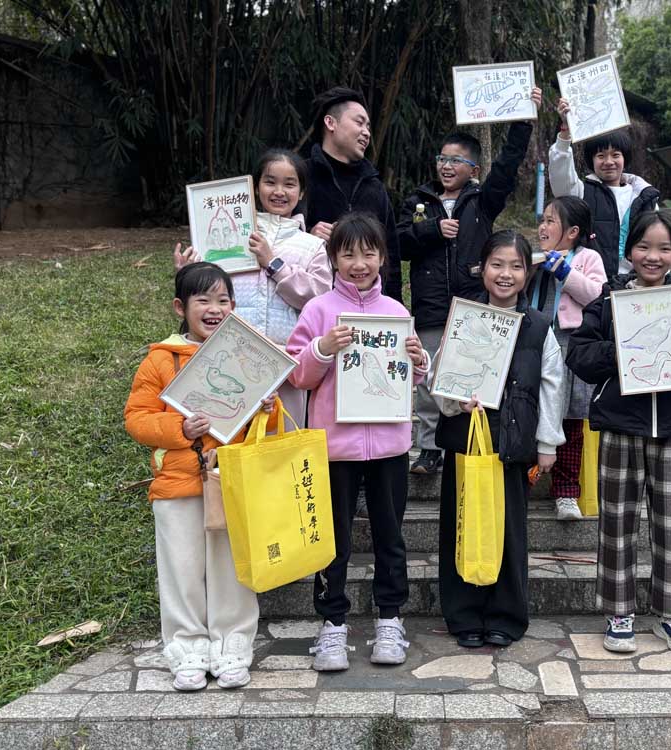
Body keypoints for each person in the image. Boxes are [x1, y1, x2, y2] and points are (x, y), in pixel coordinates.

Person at [567, 211, 671, 654]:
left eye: (663, 248)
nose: (652, 256)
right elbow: (579, 355)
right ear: (629, 251)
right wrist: (621, 349)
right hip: (621, 426)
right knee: (617, 523)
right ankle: (618, 612)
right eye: (643, 246)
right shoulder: (609, 300)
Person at [124, 262, 277, 691]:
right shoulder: (161, 359)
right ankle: (187, 651)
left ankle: (233, 647)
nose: (214, 309)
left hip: (230, 480)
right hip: (177, 485)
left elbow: (259, 426)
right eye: (203, 300)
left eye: (223, 300)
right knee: (182, 569)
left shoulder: (245, 355)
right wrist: (180, 428)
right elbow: (137, 419)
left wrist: (268, 409)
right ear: (181, 307)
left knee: (232, 568)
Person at [286, 213, 428, 671]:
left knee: (391, 537)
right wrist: (323, 348)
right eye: (348, 254)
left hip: (389, 447)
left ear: (383, 257)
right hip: (334, 448)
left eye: (368, 253)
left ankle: (390, 618)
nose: (359, 263)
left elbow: (408, 380)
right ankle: (332, 624)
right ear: (333, 259)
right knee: (333, 541)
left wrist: (418, 360)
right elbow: (298, 374)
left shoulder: (396, 313)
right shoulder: (318, 311)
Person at [398, 88, 542, 476]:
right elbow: (398, 243)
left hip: (475, 304)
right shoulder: (418, 201)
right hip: (431, 305)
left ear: (473, 169)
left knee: (471, 370)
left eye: (456, 160)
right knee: (428, 376)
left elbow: (507, 168)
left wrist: (523, 122)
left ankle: (472, 436)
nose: (447, 166)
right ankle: (430, 447)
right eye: (442, 159)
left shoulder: (482, 201)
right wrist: (431, 229)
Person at [433, 230, 566, 649]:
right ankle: (463, 614)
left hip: (511, 445)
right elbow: (439, 375)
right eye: (497, 264)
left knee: (508, 531)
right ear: (482, 269)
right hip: (466, 440)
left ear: (528, 273)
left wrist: (547, 444)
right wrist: (455, 402)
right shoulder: (465, 318)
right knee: (461, 526)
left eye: (516, 266)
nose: (505, 274)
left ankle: (506, 616)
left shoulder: (539, 327)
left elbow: (552, 386)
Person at [173, 148, 331, 421]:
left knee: (282, 434)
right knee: (228, 427)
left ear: (302, 191)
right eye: (270, 182)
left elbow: (320, 300)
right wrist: (188, 272)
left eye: (289, 184)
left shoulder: (313, 246)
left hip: (286, 363)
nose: (279, 191)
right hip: (230, 356)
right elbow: (208, 292)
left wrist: (274, 264)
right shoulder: (234, 236)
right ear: (255, 188)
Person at [525, 196, 606, 521]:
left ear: (572, 231)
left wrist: (564, 271)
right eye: (542, 220)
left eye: (550, 221)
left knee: (571, 421)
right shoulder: (534, 257)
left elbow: (597, 296)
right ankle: (524, 482)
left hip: (571, 346)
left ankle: (567, 493)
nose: (542, 227)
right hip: (534, 343)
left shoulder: (588, 257)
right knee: (531, 413)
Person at [302, 87, 403, 302]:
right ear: (330, 123)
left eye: (368, 126)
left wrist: (396, 309)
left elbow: (391, 256)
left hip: (368, 309)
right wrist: (307, 237)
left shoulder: (375, 187)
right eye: (359, 122)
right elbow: (277, 237)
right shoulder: (301, 176)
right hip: (311, 302)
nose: (367, 132)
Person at [549, 98, 659, 279]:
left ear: (625, 158)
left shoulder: (644, 196)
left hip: (636, 282)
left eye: (615, 155)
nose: (609, 162)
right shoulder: (581, 192)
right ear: (591, 160)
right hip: (591, 282)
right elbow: (560, 177)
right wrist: (565, 132)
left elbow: (658, 242)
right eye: (601, 156)